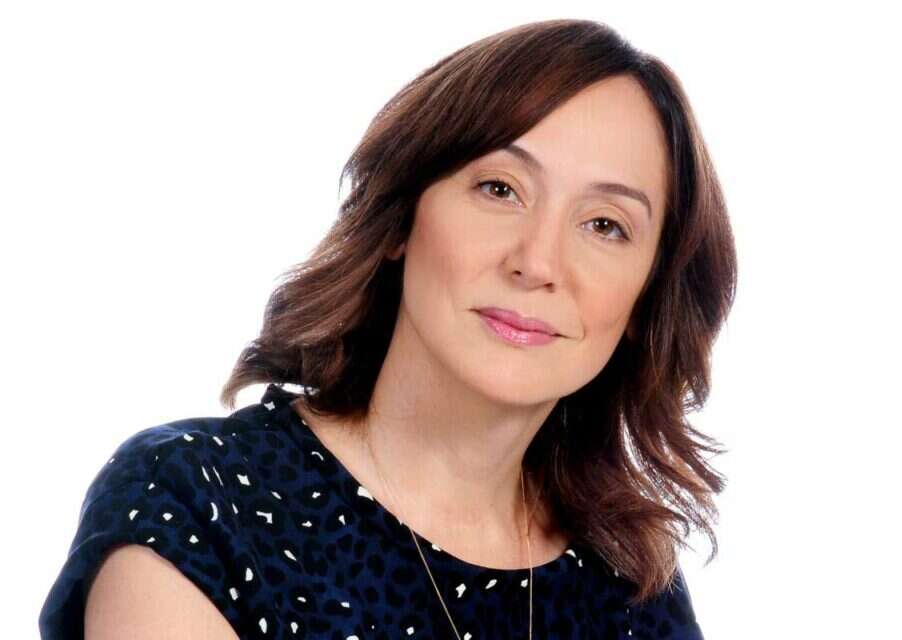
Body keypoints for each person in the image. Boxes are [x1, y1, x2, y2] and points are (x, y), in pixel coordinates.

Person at [39, 18, 734, 639]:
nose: (538, 263)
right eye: (499, 189)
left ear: (646, 300)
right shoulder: (200, 500)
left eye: (606, 225)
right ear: (402, 216)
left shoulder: (632, 590)